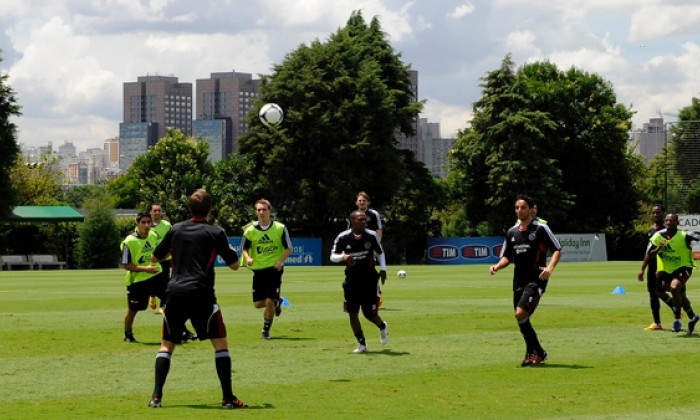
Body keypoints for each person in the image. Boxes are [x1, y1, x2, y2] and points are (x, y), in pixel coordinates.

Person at [148, 189, 246, 409]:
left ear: (189, 209)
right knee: (220, 343)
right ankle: (228, 398)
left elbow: (155, 257)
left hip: (174, 293)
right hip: (201, 293)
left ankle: (156, 398)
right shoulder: (216, 232)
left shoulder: (175, 229)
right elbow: (235, 265)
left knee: (167, 345)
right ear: (210, 210)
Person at [489, 194, 562, 367]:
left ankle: (536, 352)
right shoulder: (512, 232)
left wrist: (549, 268)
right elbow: (507, 257)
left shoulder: (540, 229)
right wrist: (497, 266)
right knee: (522, 318)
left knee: (520, 313)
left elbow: (557, 249)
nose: (519, 210)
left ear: (531, 210)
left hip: (536, 280)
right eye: (517, 207)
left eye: (523, 207)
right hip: (518, 281)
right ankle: (534, 353)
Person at [331, 210, 390, 353]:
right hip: (351, 280)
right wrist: (343, 258)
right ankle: (362, 345)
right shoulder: (343, 237)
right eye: (360, 220)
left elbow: (380, 252)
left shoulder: (371, 235)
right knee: (352, 313)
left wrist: (383, 269)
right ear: (352, 221)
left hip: (369, 279)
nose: (364, 222)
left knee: (369, 314)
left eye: (365, 220)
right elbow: (332, 256)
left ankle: (382, 326)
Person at [241, 199, 293, 340]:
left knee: (268, 301)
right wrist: (248, 258)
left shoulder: (280, 228)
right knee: (258, 304)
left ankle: (265, 330)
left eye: (264, 209)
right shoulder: (250, 231)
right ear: (256, 212)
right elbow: (244, 248)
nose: (261, 212)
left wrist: (280, 261)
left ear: (269, 211)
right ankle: (277, 301)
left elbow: (289, 248)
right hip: (258, 270)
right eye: (259, 210)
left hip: (274, 270)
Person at [148, 202, 197, 341]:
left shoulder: (167, 226)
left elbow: (173, 242)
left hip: (164, 261)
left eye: (159, 210)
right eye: (154, 211)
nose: (157, 213)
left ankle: (180, 331)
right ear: (151, 212)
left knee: (170, 296)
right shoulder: (145, 227)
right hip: (150, 265)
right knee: (170, 297)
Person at [648, 213, 700, 334]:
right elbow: (650, 254)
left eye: (671, 220)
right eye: (667, 220)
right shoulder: (658, 236)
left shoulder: (684, 235)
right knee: (663, 293)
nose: (668, 222)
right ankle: (693, 317)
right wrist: (658, 248)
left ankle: (677, 319)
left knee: (674, 288)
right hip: (667, 269)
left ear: (677, 222)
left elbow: (696, 235)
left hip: (684, 267)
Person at [120, 211, 163, 343]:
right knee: (134, 309)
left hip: (156, 276)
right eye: (143, 222)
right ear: (137, 224)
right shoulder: (129, 241)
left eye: (149, 222)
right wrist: (145, 269)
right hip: (137, 281)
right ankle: (128, 334)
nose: (146, 225)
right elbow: (126, 265)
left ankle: (180, 331)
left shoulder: (153, 235)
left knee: (172, 300)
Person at [637, 204, 672, 330]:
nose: (655, 215)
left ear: (663, 213)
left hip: (663, 266)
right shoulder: (652, 230)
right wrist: (643, 268)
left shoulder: (666, 230)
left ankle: (677, 309)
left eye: (658, 212)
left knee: (661, 292)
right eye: (654, 212)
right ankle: (657, 323)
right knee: (653, 294)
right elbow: (648, 252)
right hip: (652, 266)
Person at [350, 191, 385, 306]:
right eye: (359, 200)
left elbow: (379, 231)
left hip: (370, 249)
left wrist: (375, 247)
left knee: (370, 273)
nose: (361, 202)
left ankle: (376, 295)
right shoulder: (353, 215)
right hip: (357, 250)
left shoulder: (374, 214)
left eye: (364, 200)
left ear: (368, 203)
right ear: (356, 202)